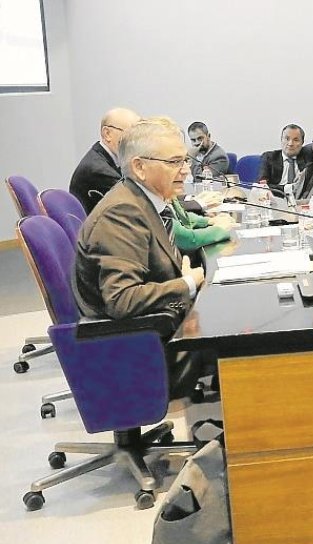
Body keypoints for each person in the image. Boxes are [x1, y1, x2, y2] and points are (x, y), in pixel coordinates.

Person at [73, 117, 210, 397]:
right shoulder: (121, 213)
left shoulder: (142, 201)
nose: (185, 171)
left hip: (152, 331)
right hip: (132, 354)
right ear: (139, 167)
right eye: (174, 162)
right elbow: (122, 299)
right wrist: (187, 283)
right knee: (250, 343)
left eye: (185, 161)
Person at [69, 107, 141, 213]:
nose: (137, 142)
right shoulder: (97, 171)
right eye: (131, 134)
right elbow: (138, 205)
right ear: (107, 134)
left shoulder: (111, 159)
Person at [257, 123, 313, 196]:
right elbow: (262, 186)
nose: (290, 143)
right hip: (275, 199)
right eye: (287, 139)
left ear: (302, 143)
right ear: (281, 140)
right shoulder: (269, 157)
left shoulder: (308, 156)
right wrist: (289, 188)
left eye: (296, 140)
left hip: (301, 200)